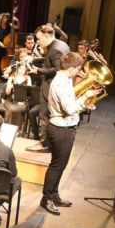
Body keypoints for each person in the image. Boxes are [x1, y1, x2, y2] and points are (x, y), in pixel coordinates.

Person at [41, 52, 100, 215]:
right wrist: (86, 96)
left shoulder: (65, 80)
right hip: (61, 130)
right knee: (56, 166)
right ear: (72, 67)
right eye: (78, 69)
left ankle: (53, 195)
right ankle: (46, 199)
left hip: (65, 127)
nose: (79, 72)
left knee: (61, 165)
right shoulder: (60, 83)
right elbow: (70, 108)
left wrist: (85, 104)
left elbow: (72, 104)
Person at [26, 24, 71, 152]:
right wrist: (35, 60)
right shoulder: (60, 44)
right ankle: (48, 143)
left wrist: (38, 70)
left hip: (51, 88)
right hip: (55, 87)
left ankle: (44, 144)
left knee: (45, 116)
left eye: (39, 39)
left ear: (47, 35)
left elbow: (58, 70)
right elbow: (49, 61)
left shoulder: (55, 49)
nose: (38, 42)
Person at [2, 59, 33, 128]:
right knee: (11, 108)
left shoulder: (28, 78)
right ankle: (6, 126)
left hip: (23, 101)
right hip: (11, 99)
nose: (22, 70)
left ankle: (16, 129)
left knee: (18, 107)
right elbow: (7, 93)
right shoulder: (12, 77)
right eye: (20, 68)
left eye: (23, 69)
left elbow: (29, 92)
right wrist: (11, 85)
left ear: (26, 70)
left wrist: (23, 100)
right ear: (17, 69)